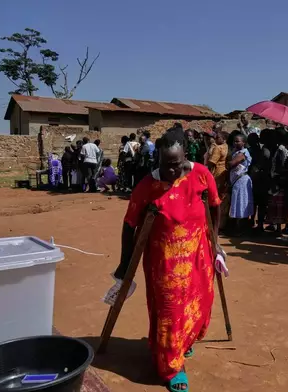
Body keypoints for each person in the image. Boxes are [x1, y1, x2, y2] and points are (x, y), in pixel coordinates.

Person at [103, 130, 223, 392]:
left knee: (200, 302)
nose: (172, 170)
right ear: (157, 159)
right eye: (166, 164)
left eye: (176, 164)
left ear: (185, 158)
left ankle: (183, 342)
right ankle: (172, 367)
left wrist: (216, 241)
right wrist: (125, 263)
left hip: (198, 254)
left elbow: (214, 204)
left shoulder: (201, 174)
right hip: (165, 261)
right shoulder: (147, 186)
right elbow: (129, 224)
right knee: (170, 312)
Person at [228, 134, 254, 235]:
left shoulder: (243, 153)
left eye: (238, 141)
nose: (235, 143)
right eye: (234, 141)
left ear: (244, 142)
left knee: (241, 204)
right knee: (237, 203)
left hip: (241, 180)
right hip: (237, 181)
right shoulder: (236, 152)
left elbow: (231, 163)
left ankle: (240, 229)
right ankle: (238, 227)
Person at [266, 128, 288, 234]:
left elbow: (280, 164)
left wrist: (276, 175)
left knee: (278, 205)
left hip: (278, 179)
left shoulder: (280, 148)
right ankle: (285, 226)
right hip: (284, 179)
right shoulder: (285, 148)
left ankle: (279, 228)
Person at [207, 130, 229, 230]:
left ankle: (214, 223)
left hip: (216, 174)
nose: (216, 139)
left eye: (218, 138)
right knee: (222, 197)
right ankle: (222, 223)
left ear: (223, 139)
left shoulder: (218, 148)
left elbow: (211, 162)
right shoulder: (226, 146)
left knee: (214, 198)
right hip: (224, 173)